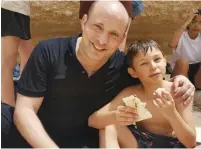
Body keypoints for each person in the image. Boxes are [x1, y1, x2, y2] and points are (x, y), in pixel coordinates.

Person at [9, 1, 194, 148]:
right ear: (83, 21)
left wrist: (182, 80)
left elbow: (151, 78)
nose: (102, 40)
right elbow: (25, 110)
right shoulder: (49, 51)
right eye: (98, 27)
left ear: (122, 38)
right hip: (39, 135)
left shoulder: (124, 67)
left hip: (84, 142)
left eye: (114, 34)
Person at [88, 40, 196, 148]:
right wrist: (117, 116)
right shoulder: (131, 94)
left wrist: (171, 114)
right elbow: (93, 121)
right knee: (108, 125)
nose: (153, 66)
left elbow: (190, 143)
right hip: (142, 143)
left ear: (165, 61)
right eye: (144, 63)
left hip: (173, 144)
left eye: (157, 59)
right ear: (133, 72)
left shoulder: (179, 91)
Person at [1, 1, 33, 147]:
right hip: (7, 5)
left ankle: (26, 110)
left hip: (19, 6)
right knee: (7, 63)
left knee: (29, 56)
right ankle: (8, 125)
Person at [169, 9, 201, 89]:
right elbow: (171, 44)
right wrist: (187, 20)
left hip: (198, 73)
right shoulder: (181, 35)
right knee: (183, 62)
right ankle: (184, 87)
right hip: (181, 70)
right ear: (189, 23)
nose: (196, 26)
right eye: (193, 22)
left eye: (200, 23)